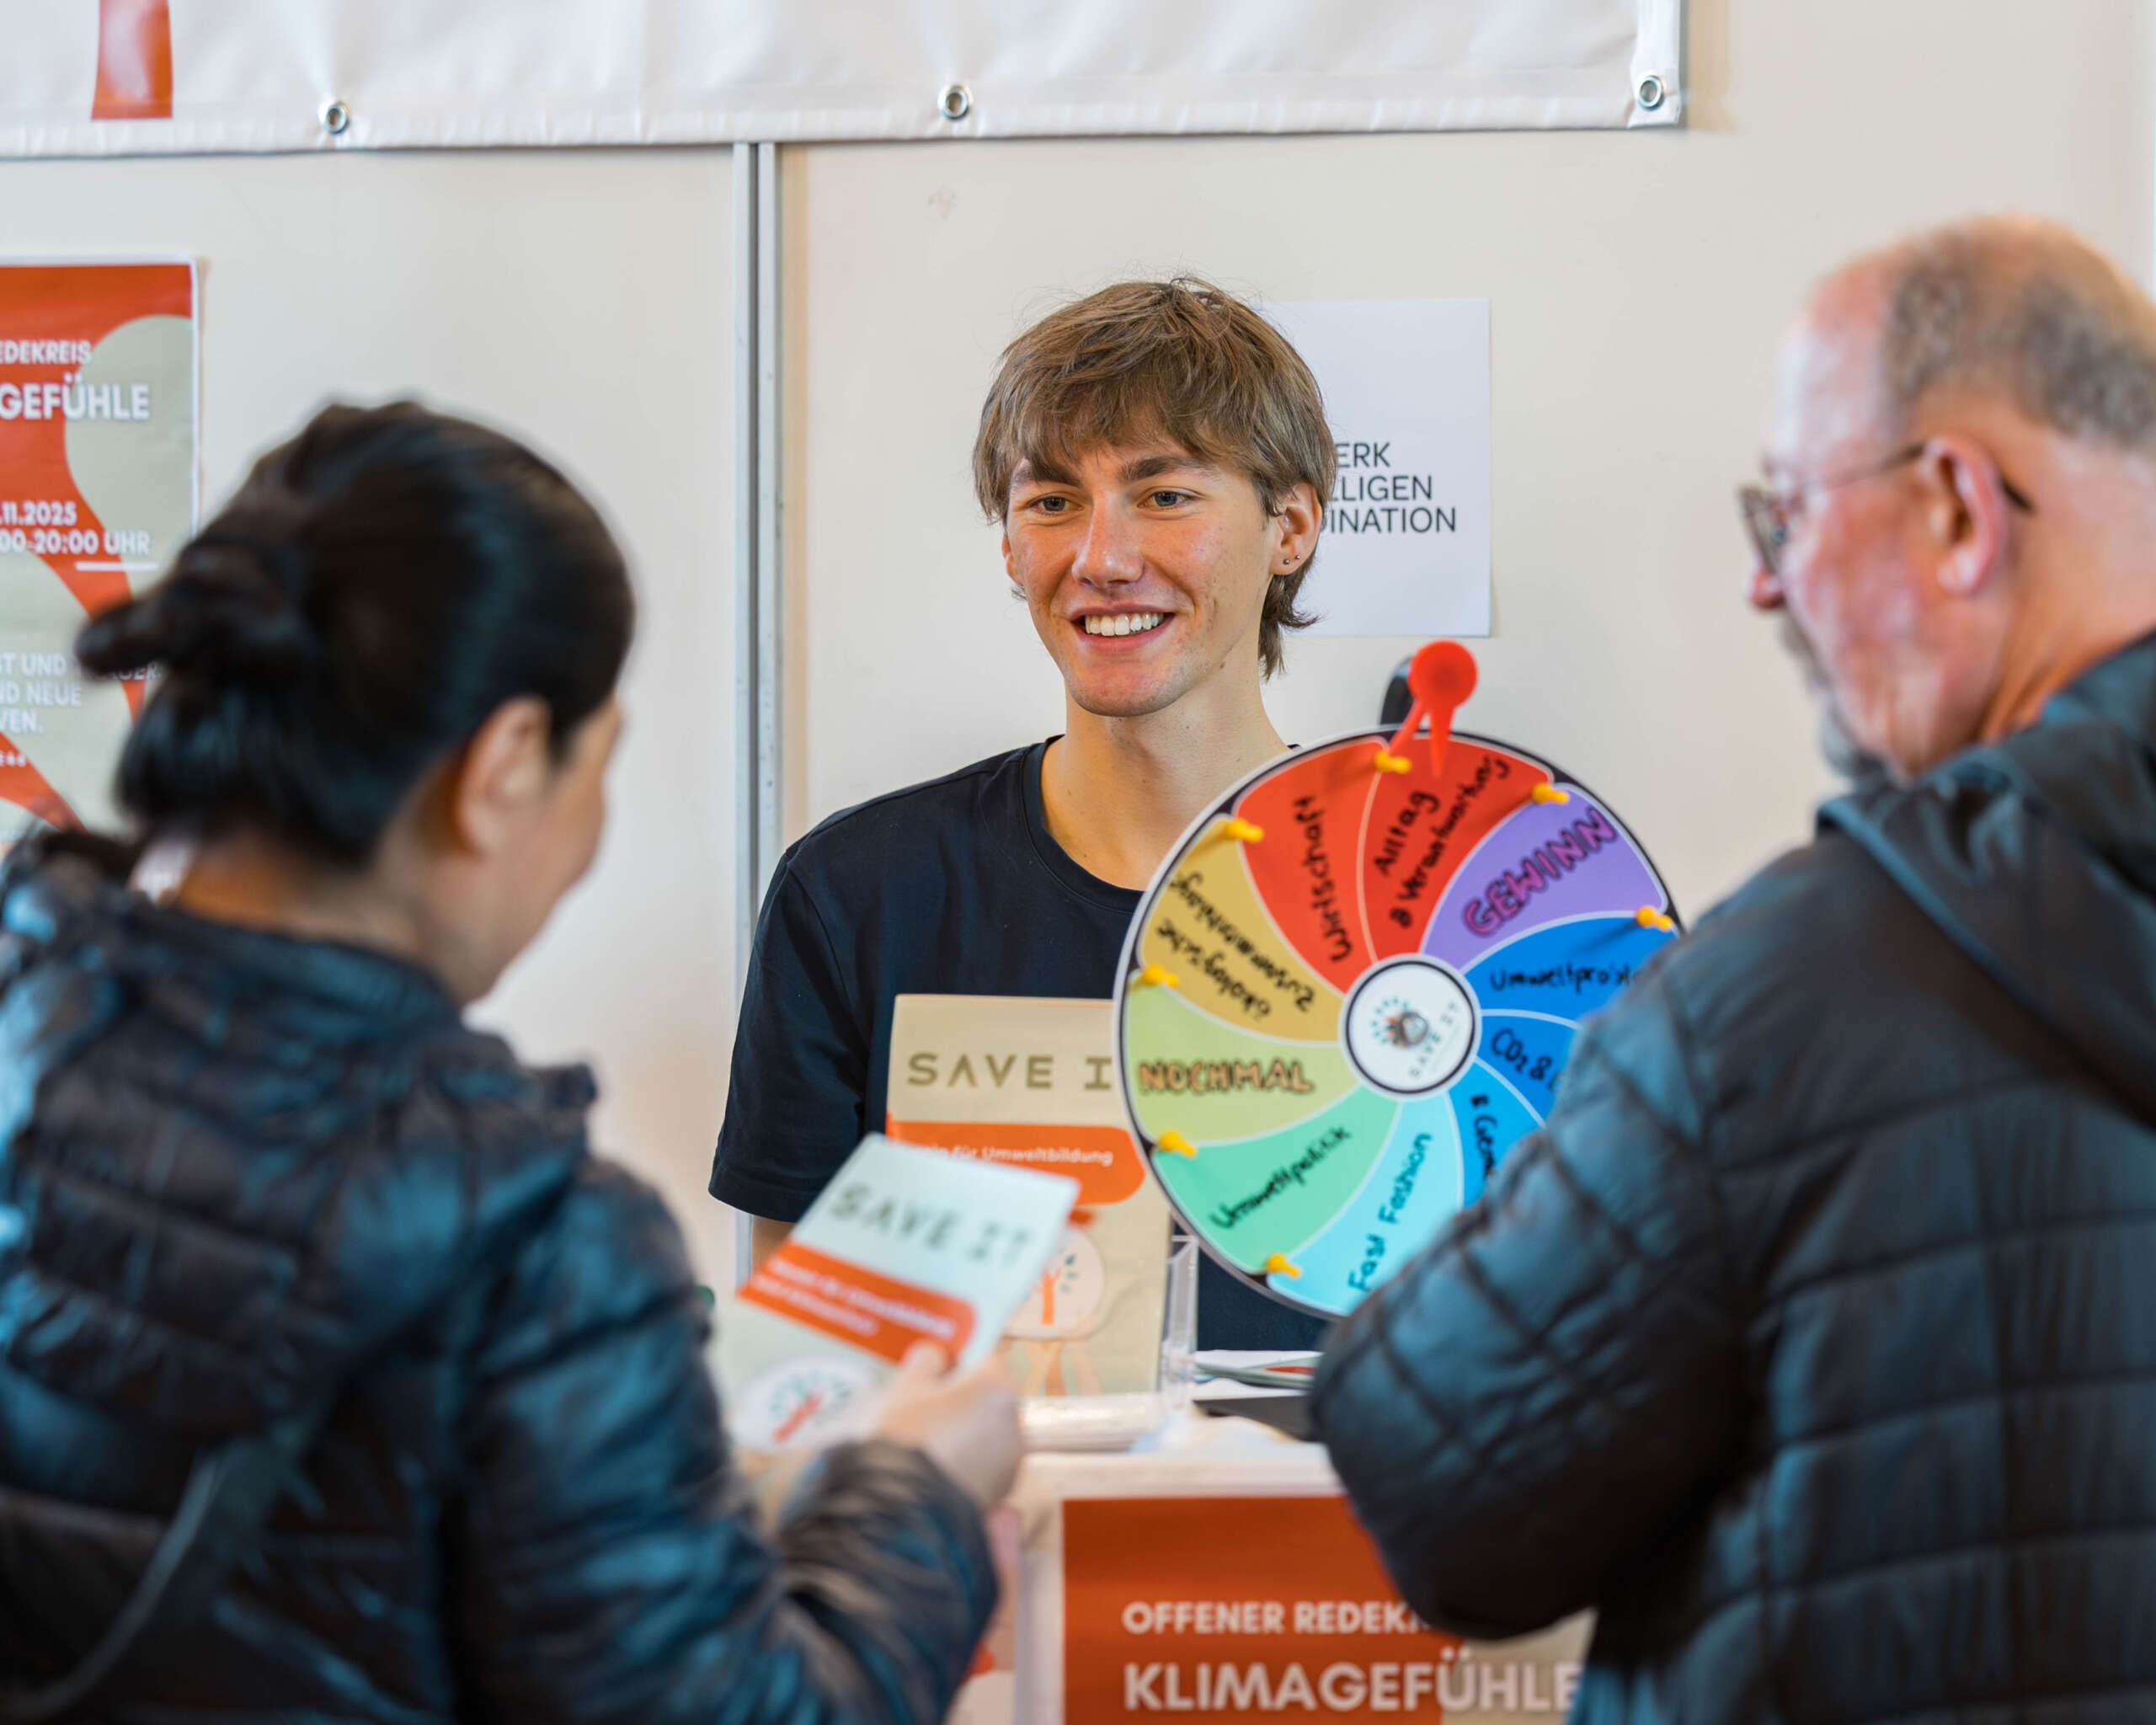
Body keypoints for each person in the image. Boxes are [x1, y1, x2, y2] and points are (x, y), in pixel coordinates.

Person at [0, 402, 1017, 1720]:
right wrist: (914, 1499)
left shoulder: (24, 1019)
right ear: (504, 767)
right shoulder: (541, 1256)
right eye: (601, 766)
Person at [1313, 216, 2156, 1719]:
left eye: (1786, 516)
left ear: (1957, 509)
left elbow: (1438, 1490)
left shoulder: (1791, 992)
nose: (1768, 589)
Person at [712, 279, 1334, 1348]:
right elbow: (808, 1355)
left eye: (1164, 494)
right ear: (1008, 543)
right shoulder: (857, 894)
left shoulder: (1436, 907)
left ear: (1291, 526)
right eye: (1050, 501)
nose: (1101, 557)